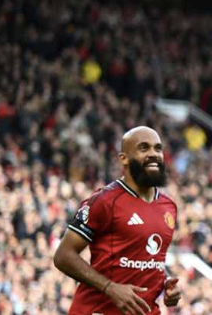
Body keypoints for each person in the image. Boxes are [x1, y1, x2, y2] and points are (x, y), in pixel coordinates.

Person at [53, 126, 181, 315]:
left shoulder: (168, 206)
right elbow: (63, 256)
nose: (154, 154)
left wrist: (164, 285)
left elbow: (144, 258)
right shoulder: (105, 201)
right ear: (124, 158)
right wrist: (109, 287)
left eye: (158, 148)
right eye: (144, 148)